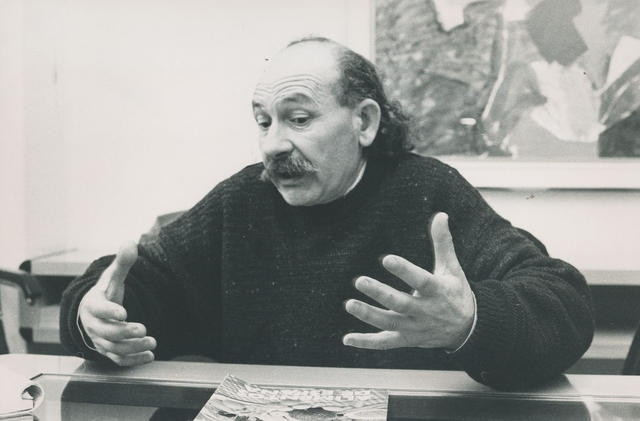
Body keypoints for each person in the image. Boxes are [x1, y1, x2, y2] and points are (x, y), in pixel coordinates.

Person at [59, 37, 594, 389]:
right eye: (263, 122)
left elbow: (562, 304)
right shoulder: (241, 200)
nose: (273, 145)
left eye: (298, 118)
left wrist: (469, 321)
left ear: (364, 122)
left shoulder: (427, 191)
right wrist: (93, 317)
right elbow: (134, 290)